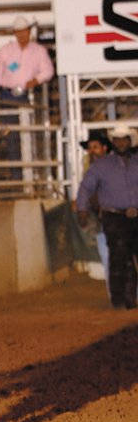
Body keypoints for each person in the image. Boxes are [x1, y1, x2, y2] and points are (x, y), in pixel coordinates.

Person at [75, 124, 138, 310]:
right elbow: (86, 187)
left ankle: (126, 298)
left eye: (124, 139)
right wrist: (82, 209)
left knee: (122, 257)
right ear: (113, 142)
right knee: (120, 256)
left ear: (129, 141)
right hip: (114, 216)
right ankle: (122, 299)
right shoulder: (101, 166)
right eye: (117, 139)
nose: (120, 142)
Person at [0, 16, 54, 173]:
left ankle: (26, 173)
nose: (22, 35)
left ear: (29, 32)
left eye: (24, 31)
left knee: (26, 135)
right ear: (15, 33)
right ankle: (16, 173)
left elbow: (48, 71)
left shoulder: (38, 51)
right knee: (11, 136)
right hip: (6, 96)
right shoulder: (6, 50)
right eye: (19, 32)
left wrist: (35, 80)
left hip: (24, 95)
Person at [79, 129, 112, 284]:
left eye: (95, 147)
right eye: (90, 148)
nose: (92, 151)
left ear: (104, 148)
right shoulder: (89, 169)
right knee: (106, 253)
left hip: (115, 216)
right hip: (101, 218)